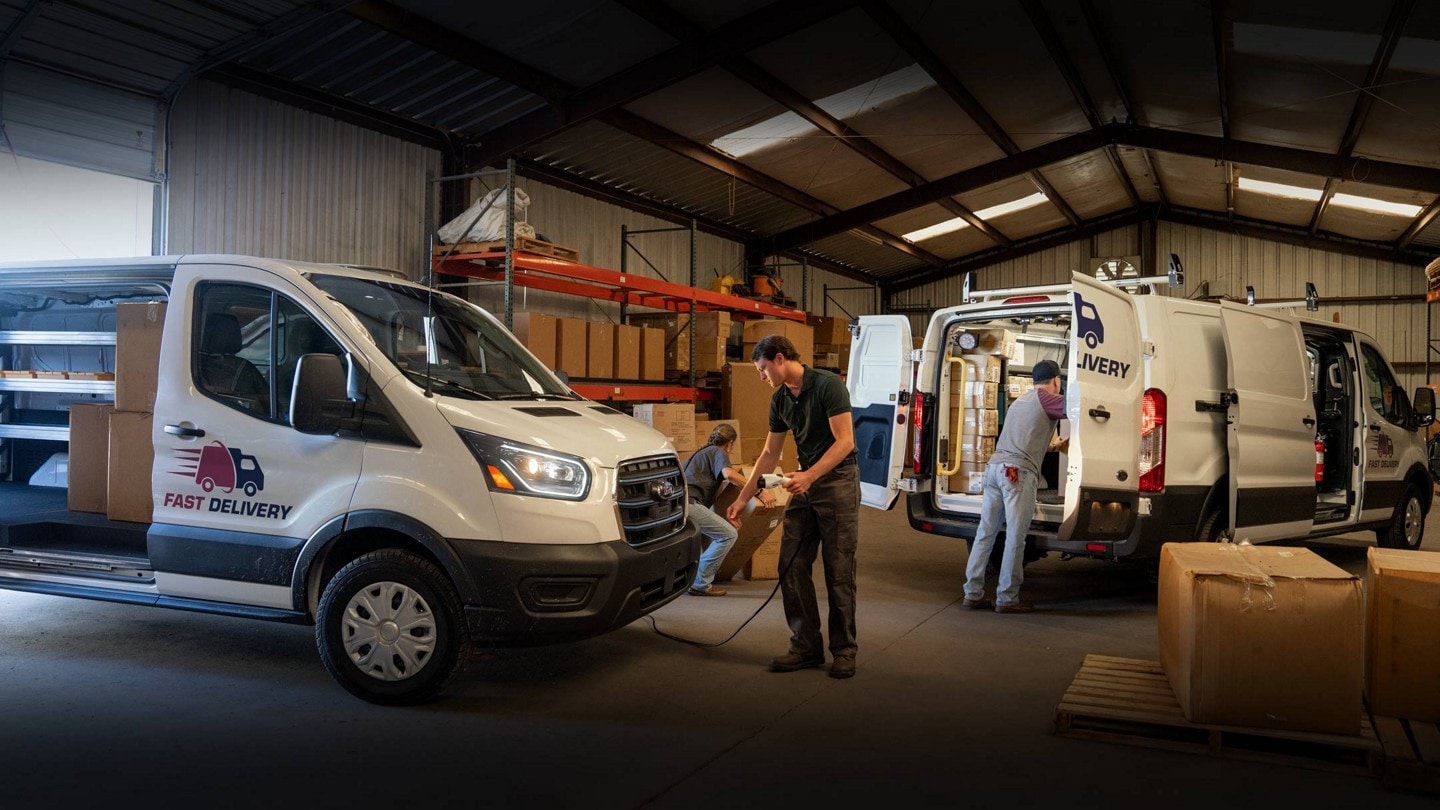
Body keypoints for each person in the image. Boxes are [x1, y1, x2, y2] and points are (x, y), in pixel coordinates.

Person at [727, 335, 859, 680]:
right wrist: (743, 498)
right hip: (805, 483)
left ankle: (844, 650)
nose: (761, 376)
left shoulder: (828, 386)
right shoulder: (781, 400)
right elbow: (769, 455)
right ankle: (805, 646)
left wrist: (811, 475)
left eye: (762, 368)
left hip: (837, 482)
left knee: (838, 569)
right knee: (791, 564)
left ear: (780, 358)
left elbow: (846, 442)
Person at [963, 358, 1067, 614]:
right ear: (1056, 381)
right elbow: (1081, 410)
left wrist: (1054, 446)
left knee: (985, 533)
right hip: (1016, 474)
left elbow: (1024, 436)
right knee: (1015, 536)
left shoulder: (1021, 401)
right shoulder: (1049, 399)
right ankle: (1007, 598)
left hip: (995, 469)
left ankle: (972, 593)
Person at [684, 423, 776, 596]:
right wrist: (759, 491)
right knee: (728, 534)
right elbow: (730, 475)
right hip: (689, 503)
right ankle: (699, 582)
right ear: (730, 443)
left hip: (678, 504)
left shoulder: (699, 454)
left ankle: (693, 579)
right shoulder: (718, 452)